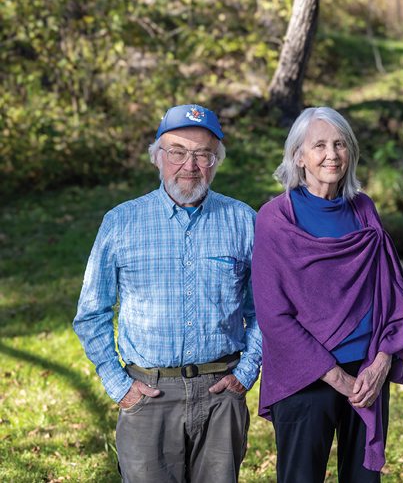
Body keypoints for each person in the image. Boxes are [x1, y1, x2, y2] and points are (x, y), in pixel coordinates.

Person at [73, 104, 262, 482]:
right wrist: (119, 385)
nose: (189, 165)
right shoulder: (121, 222)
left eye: (202, 154)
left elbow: (266, 309)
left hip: (221, 394)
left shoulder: (243, 220)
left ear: (216, 161)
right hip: (149, 396)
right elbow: (91, 313)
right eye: (177, 152)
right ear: (158, 158)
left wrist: (246, 371)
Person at [252, 107, 403, 482]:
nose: (332, 154)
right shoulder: (276, 219)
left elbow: (392, 294)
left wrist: (380, 364)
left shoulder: (364, 209)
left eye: (340, 144)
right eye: (320, 145)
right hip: (305, 377)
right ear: (299, 156)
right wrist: (338, 379)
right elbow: (273, 315)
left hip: (367, 374)